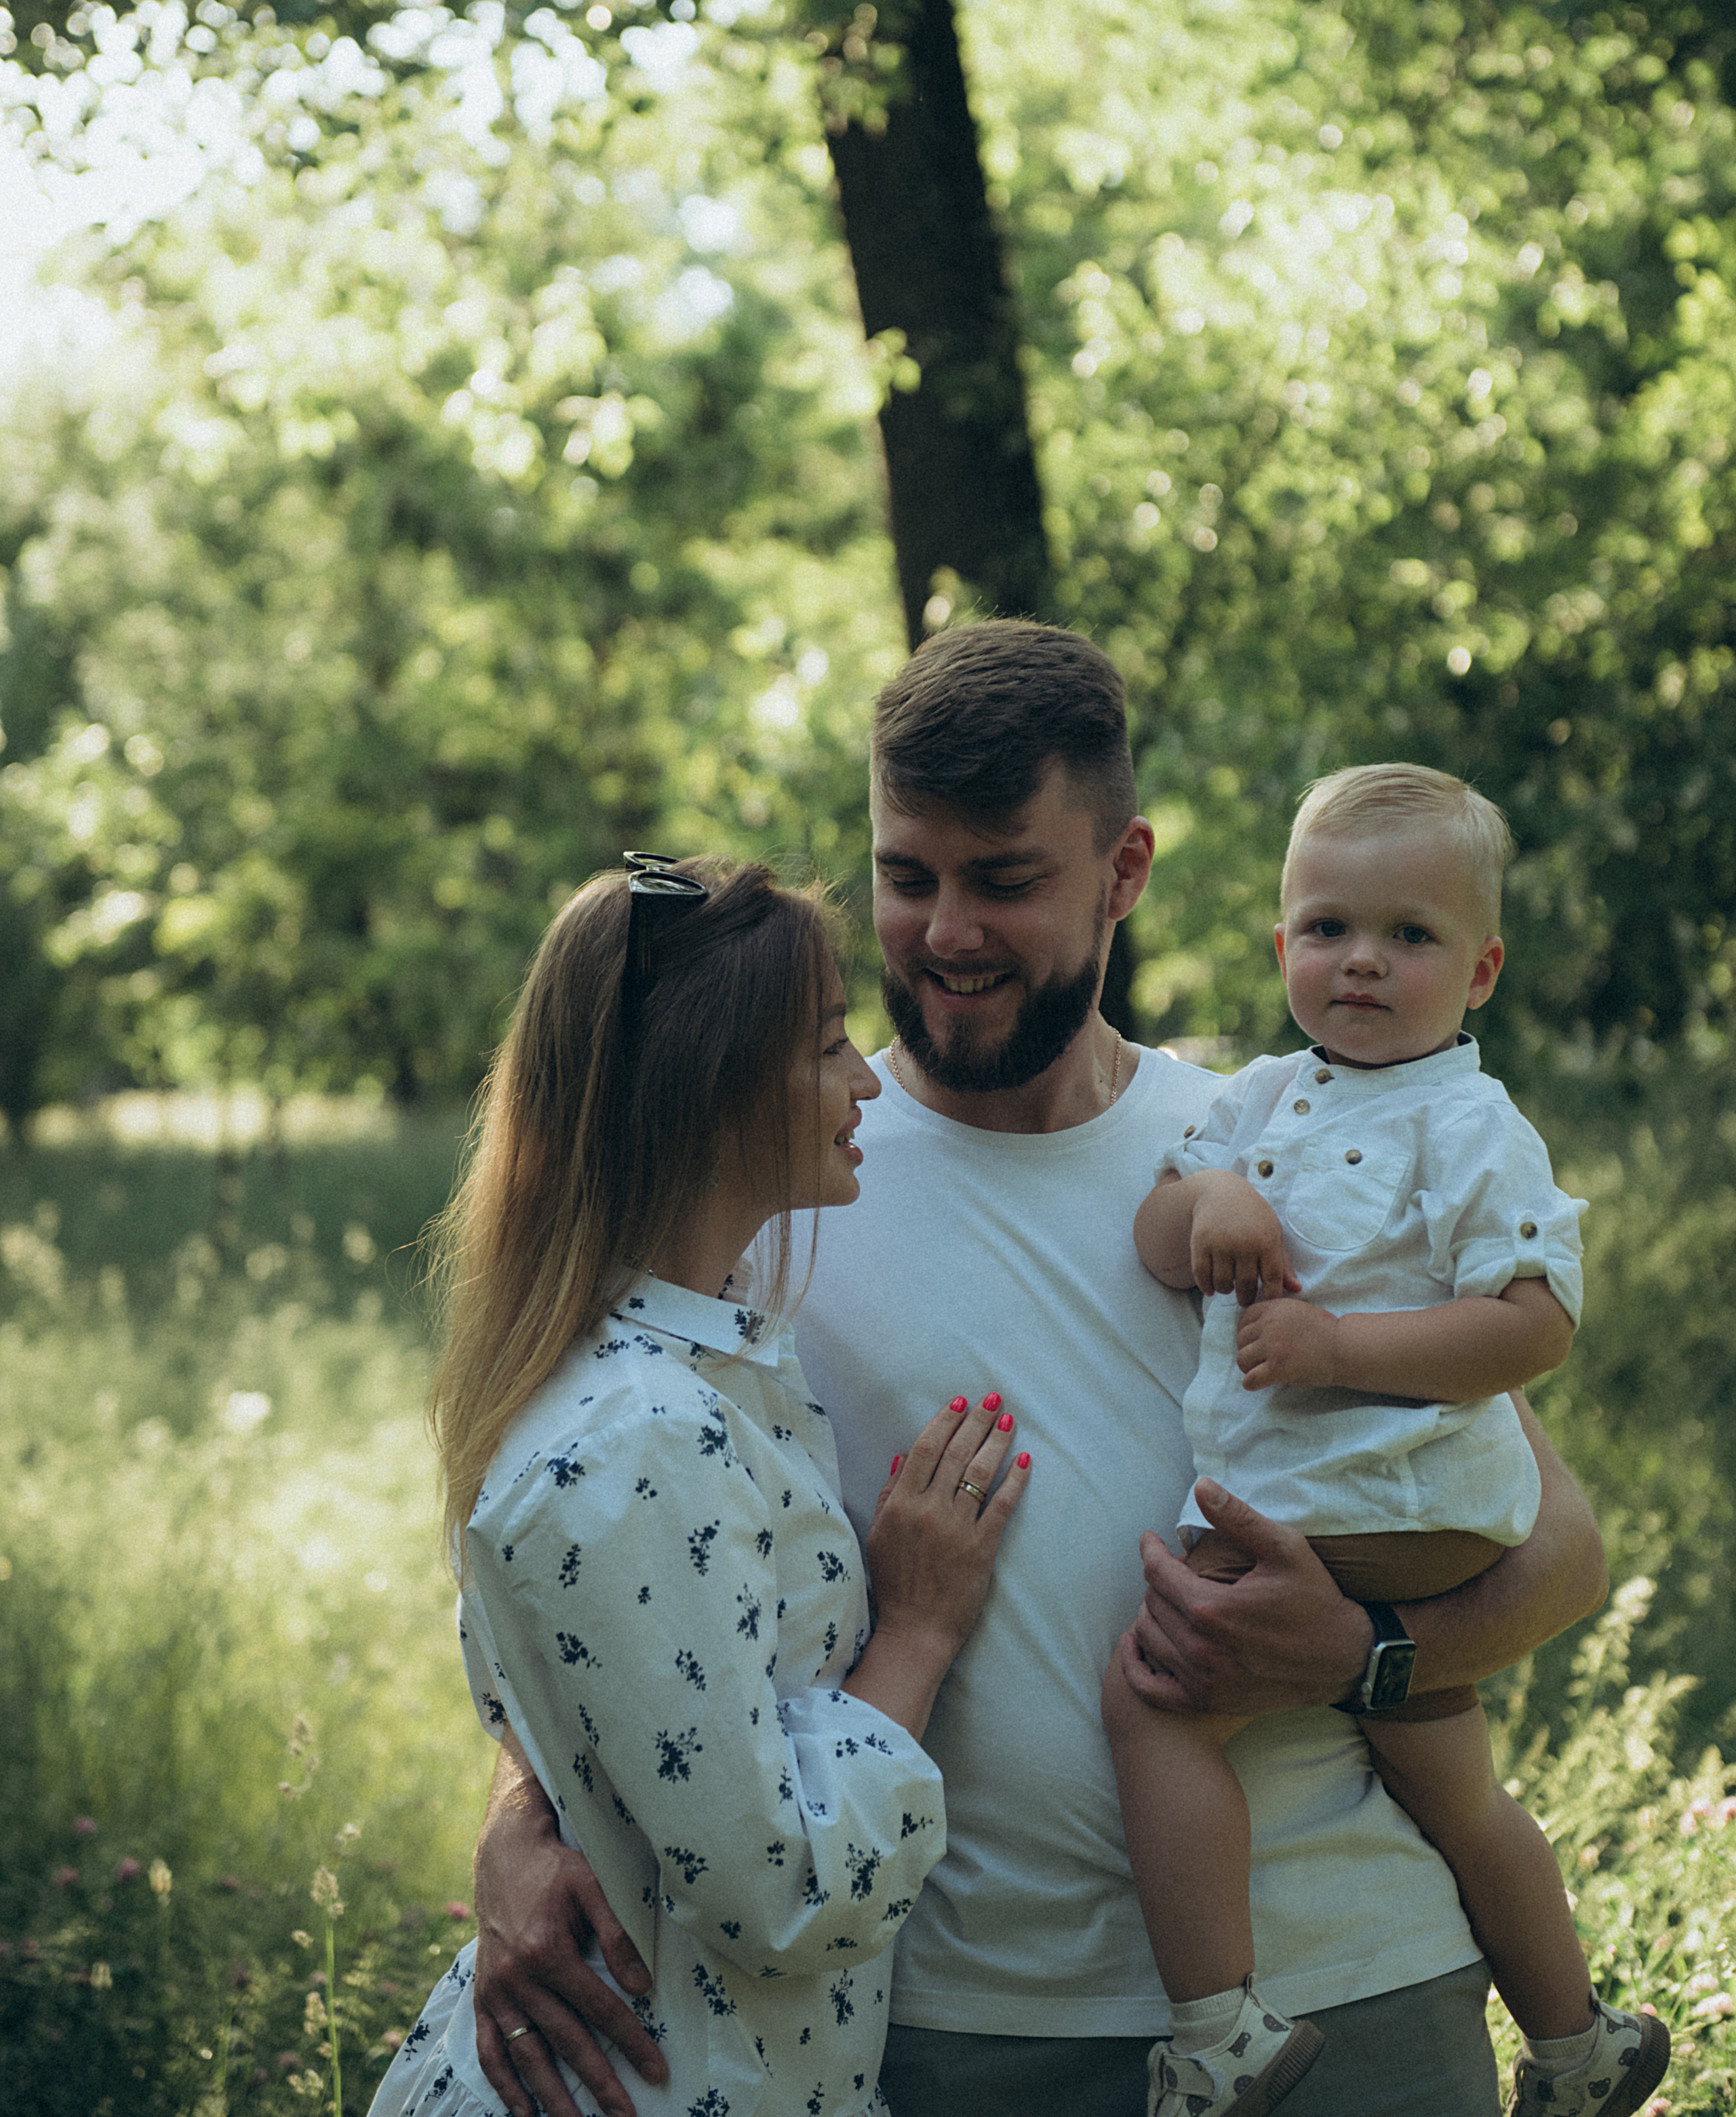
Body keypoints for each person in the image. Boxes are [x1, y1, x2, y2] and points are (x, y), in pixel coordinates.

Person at [465, 625, 1608, 2117]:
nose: (945, 930)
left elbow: (1559, 1552)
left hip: (1347, 1983)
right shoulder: (776, 1186)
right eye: (905, 874)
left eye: (1004, 877)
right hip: (950, 2020)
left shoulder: (1276, 1148)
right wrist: (517, 1825)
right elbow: (604, 1585)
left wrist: (1355, 1655)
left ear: (1122, 871)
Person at [368, 855, 1028, 2117]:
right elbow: (781, 1888)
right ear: (709, 1090)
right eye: (829, 1047)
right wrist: (922, 1628)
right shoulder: (640, 1441)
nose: (868, 1080)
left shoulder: (696, 1362)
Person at [1106, 764, 1668, 2117]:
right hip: (1371, 1511)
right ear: (1279, 941)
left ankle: (1219, 2026)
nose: (1361, 961)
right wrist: (1214, 1206)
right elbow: (1153, 1228)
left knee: (1150, 1705)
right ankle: (1576, 2039)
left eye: (1407, 936)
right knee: (1451, 1788)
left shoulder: (1470, 1124)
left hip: (1368, 1496)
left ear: (1477, 970)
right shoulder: (1251, 1099)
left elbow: (1532, 1325)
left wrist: (1336, 1349)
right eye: (1327, 927)